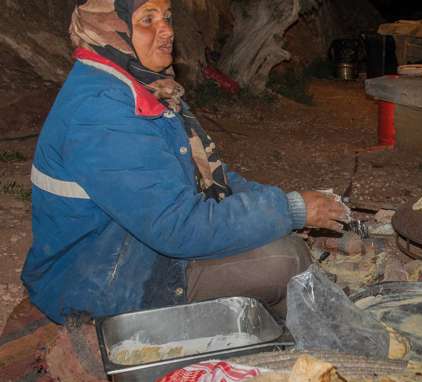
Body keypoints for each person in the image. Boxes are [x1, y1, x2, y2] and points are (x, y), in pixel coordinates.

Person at [21, 0, 349, 324]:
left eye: (166, 17)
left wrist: (285, 207)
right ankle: (311, 343)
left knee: (279, 240)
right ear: (110, 27)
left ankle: (291, 333)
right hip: (98, 282)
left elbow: (209, 178)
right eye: (147, 19)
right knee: (284, 260)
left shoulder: (144, 86)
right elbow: (177, 228)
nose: (166, 30)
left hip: (133, 250)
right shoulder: (101, 111)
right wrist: (288, 210)